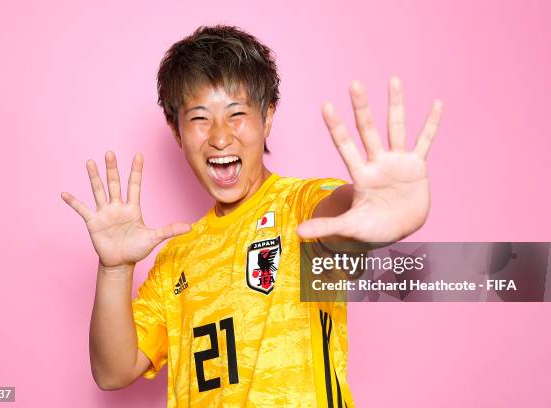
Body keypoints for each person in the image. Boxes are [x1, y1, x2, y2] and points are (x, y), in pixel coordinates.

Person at [61, 25, 442, 407]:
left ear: (268, 117)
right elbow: (112, 372)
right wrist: (114, 269)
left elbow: (337, 217)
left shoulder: (299, 205)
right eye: (199, 118)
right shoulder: (174, 259)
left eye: (237, 113)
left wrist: (368, 203)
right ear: (176, 131)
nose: (220, 137)